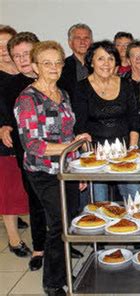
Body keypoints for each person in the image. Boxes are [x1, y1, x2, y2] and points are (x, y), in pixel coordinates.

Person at [15, 40, 90, 296]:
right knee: (59, 223)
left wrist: (76, 166)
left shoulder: (63, 93)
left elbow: (68, 132)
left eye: (58, 62)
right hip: (43, 171)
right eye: (47, 63)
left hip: (66, 168)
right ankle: (53, 283)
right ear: (35, 66)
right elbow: (33, 144)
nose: (54, 67)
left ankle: (64, 269)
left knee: (69, 221)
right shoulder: (27, 99)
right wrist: (73, 146)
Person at [2, 32, 55, 271]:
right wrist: (3, 125)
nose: (22, 59)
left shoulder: (55, 78)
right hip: (30, 154)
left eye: (26, 53)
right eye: (17, 55)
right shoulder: (8, 85)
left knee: (61, 202)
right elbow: (5, 116)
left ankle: (60, 243)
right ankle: (39, 249)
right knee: (36, 202)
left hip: (59, 152)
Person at [73, 40, 140, 201]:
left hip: (125, 152)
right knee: (99, 203)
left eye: (111, 58)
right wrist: (89, 156)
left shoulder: (125, 84)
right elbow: (80, 126)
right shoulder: (81, 88)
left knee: (135, 197)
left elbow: (134, 119)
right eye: (100, 59)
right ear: (91, 62)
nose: (106, 63)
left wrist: (132, 148)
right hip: (96, 154)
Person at [0, 26, 31, 259]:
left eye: (6, 45)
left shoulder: (27, 73)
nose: (3, 50)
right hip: (5, 142)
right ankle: (13, 239)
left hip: (29, 141)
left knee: (26, 190)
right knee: (8, 191)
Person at [57, 23, 93, 98]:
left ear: (92, 42)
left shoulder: (101, 66)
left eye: (86, 38)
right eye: (78, 38)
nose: (82, 42)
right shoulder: (61, 67)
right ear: (70, 43)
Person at [124, 40, 140, 132]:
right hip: (128, 129)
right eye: (133, 56)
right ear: (128, 60)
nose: (138, 59)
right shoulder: (121, 82)